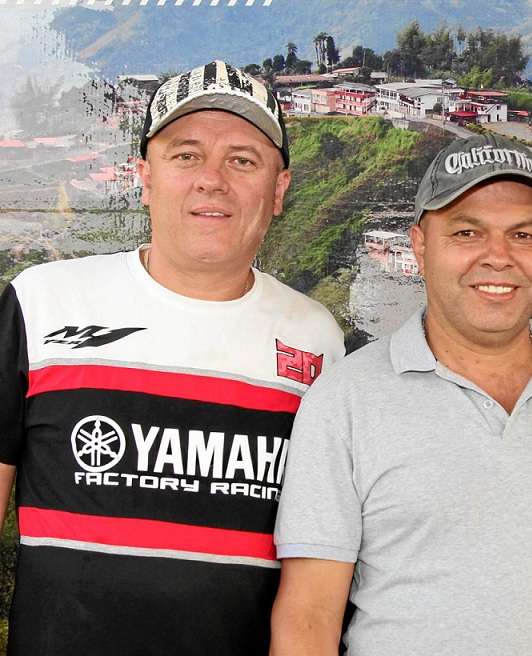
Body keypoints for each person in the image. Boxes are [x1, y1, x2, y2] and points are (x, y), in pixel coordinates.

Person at [269, 134, 532, 655]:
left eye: (524, 235)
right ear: (421, 246)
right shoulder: (345, 401)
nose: (499, 257)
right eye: (468, 232)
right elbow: (308, 614)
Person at [0, 60, 346, 655]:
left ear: (279, 190)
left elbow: (315, 581)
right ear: (145, 177)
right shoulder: (42, 301)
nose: (212, 179)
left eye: (243, 160)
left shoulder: (317, 339)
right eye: (186, 155)